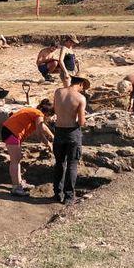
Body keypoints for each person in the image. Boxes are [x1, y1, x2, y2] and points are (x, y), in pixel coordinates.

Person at [1, 99, 55, 197]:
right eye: (50, 116)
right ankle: (16, 187)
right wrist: (49, 144)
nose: (49, 118)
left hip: (9, 131)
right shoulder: (39, 115)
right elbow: (39, 134)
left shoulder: (35, 112)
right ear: (47, 113)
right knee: (15, 161)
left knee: (17, 159)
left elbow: (42, 127)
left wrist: (52, 136)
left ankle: (19, 182)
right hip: (11, 132)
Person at [52, 76, 88, 204]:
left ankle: (57, 193)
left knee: (59, 163)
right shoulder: (80, 98)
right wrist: (84, 117)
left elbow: (55, 110)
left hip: (59, 131)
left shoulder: (58, 92)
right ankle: (68, 197)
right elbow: (82, 122)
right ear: (81, 84)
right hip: (72, 132)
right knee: (72, 165)